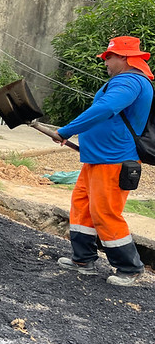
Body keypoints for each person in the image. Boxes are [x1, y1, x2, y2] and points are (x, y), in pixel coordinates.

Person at [54, 36, 154, 287]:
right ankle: (83, 259)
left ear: (125, 57)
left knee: (105, 212)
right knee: (82, 206)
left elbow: (106, 109)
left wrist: (66, 130)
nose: (105, 62)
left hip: (114, 160)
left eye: (109, 57)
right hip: (98, 158)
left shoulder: (131, 81)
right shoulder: (123, 80)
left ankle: (129, 268)